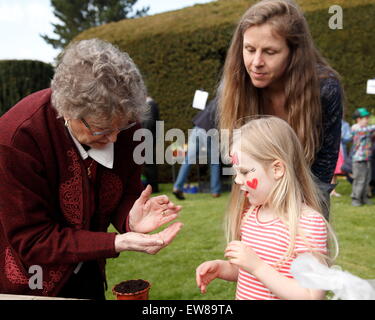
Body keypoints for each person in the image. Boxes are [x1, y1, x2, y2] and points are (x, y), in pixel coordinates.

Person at [0, 39, 183, 299]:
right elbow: (32, 240)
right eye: (102, 129)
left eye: (121, 127)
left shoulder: (127, 126)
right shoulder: (17, 138)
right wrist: (116, 242)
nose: (114, 139)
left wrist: (130, 218)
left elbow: (124, 190)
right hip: (31, 284)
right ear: (66, 110)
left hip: (90, 269)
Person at [218, 0, 343, 219]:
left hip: (307, 204)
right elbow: (241, 166)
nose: (256, 62)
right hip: (254, 199)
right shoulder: (237, 86)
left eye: (270, 51)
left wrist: (303, 226)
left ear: (294, 53)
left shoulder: (325, 89)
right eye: (249, 49)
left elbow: (322, 172)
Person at [196, 117, 337, 300]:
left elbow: (311, 296)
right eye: (236, 172)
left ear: (277, 169)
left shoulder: (308, 223)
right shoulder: (251, 216)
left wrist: (258, 266)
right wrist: (222, 268)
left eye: (245, 172)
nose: (237, 180)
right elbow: (249, 275)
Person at [172, 96, 221, 200]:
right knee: (214, 161)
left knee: (188, 160)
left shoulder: (215, 100)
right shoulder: (226, 101)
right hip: (208, 131)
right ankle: (215, 191)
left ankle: (177, 187)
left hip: (196, 129)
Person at [350, 107, 375, 206]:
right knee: (359, 179)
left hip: (366, 158)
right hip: (358, 160)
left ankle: (363, 198)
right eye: (366, 118)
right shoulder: (358, 129)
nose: (368, 119)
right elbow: (370, 129)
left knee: (366, 179)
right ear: (359, 119)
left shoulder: (365, 130)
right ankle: (355, 199)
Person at [142, 96, 160, 193]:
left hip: (147, 137)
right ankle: (152, 186)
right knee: (150, 163)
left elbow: (149, 122)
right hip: (150, 136)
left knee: (150, 164)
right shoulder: (151, 104)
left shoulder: (150, 105)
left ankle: (153, 187)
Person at [330, 119, 352, 197]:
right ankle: (331, 190)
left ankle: (332, 190)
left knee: (337, 171)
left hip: (340, 150)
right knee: (332, 171)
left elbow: (349, 137)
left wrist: (340, 136)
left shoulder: (345, 124)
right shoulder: (329, 121)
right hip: (331, 149)